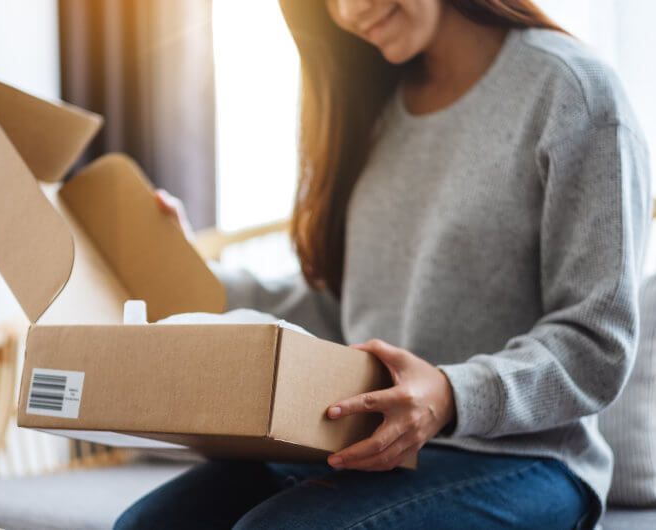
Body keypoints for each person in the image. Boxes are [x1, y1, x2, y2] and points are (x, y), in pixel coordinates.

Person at [116, 0, 651, 528]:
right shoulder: (371, 106)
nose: (348, 11)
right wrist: (185, 276)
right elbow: (338, 311)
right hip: (374, 445)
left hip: (526, 458)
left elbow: (596, 342)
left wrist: (450, 393)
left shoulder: (573, 92)